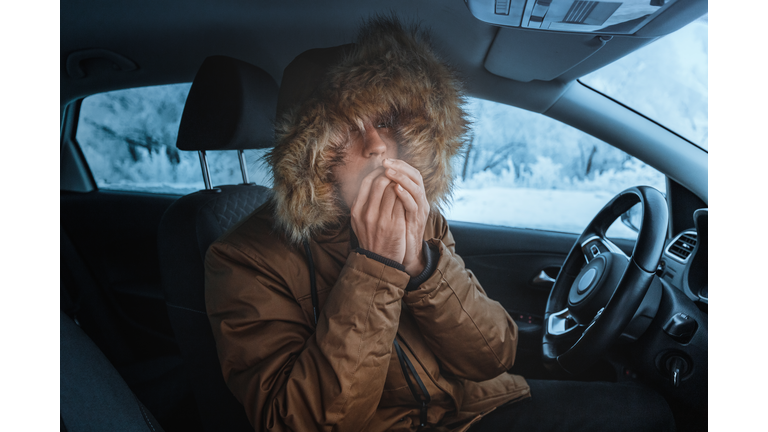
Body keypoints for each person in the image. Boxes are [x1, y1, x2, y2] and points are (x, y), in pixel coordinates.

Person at [205, 16, 674, 432]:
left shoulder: (422, 218)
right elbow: (303, 423)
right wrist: (375, 267)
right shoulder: (241, 260)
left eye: (386, 121)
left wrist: (423, 266)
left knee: (647, 411)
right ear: (308, 156)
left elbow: (493, 355)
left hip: (476, 409)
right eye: (345, 128)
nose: (375, 146)